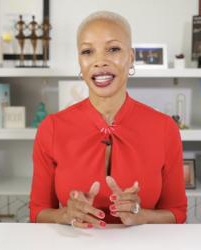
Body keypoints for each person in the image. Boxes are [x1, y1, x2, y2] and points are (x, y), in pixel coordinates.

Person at [29, 10, 187, 228]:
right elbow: (37, 212)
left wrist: (144, 216)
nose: (99, 61)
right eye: (87, 51)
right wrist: (64, 214)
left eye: (113, 49)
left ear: (130, 57)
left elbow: (177, 212)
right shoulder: (52, 128)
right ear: (80, 62)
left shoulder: (164, 128)